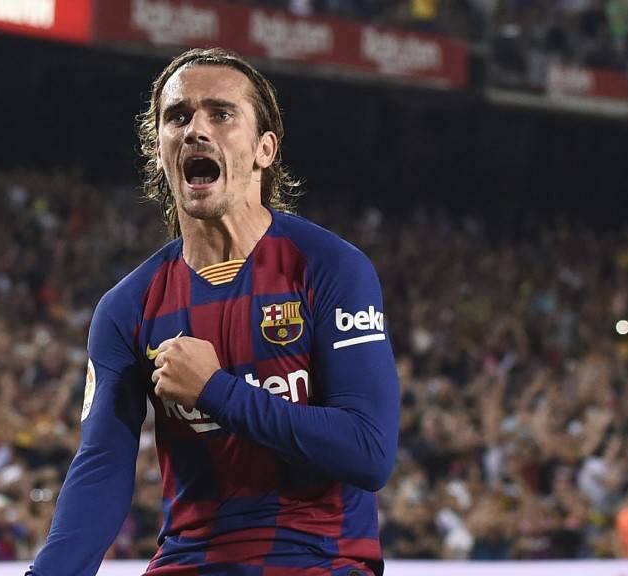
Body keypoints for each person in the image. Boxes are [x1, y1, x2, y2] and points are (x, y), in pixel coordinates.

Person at [26, 47, 400, 575]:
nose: (196, 130)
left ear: (264, 148)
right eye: (178, 117)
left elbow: (369, 451)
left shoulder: (330, 268)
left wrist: (215, 390)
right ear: (159, 150)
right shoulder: (127, 308)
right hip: (189, 562)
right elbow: (101, 471)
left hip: (317, 560)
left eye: (221, 114)